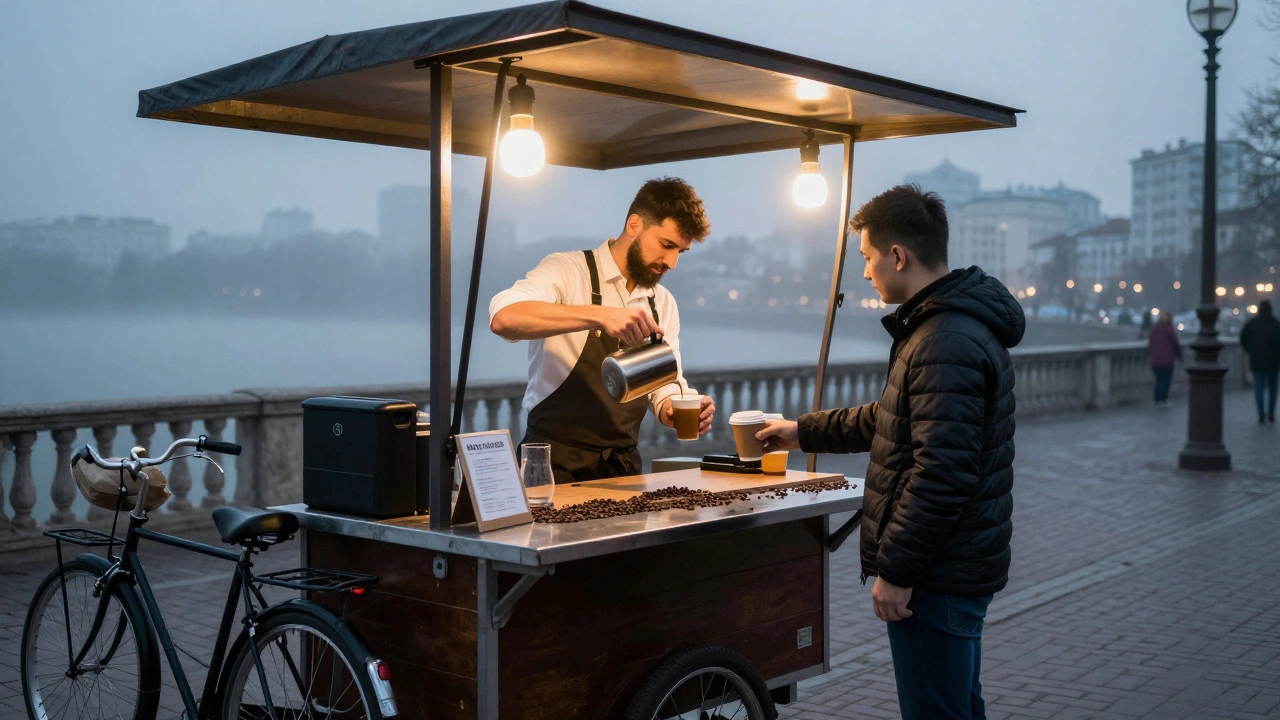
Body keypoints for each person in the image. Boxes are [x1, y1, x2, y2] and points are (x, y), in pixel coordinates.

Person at [757, 184, 1022, 720]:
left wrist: (897, 572)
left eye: (867, 257)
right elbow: (891, 421)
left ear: (897, 255)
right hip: (956, 567)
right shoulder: (949, 327)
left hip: (936, 576)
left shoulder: (943, 339)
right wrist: (800, 432)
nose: (864, 272)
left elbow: (942, 473)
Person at [489, 177, 715, 483]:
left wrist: (672, 410)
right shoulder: (568, 270)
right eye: (666, 245)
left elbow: (664, 384)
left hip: (623, 469)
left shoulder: (662, 302)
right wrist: (599, 315)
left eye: (681, 252)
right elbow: (504, 317)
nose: (672, 263)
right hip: (553, 465)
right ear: (635, 224)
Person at [1240, 299, 1280, 424]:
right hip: (1274, 361)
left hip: (1256, 360)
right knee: (1273, 387)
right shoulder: (1276, 324)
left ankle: (1261, 414)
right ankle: (1271, 412)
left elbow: (1243, 338)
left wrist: (1249, 349)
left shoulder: (1252, 323)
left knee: (1259, 388)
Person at [1147, 312, 1181, 407]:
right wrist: (1179, 356)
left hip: (1156, 359)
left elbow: (1150, 343)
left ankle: (1157, 399)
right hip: (1167, 359)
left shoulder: (1154, 329)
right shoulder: (1170, 330)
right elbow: (1176, 344)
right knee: (1166, 381)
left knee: (1158, 380)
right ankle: (1163, 399)